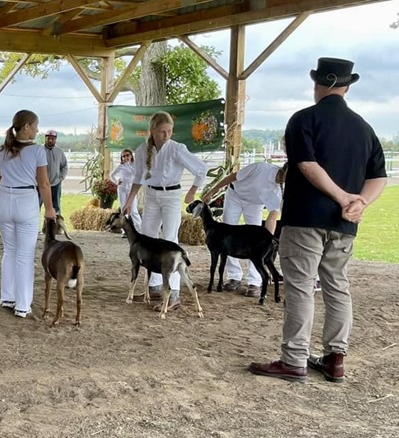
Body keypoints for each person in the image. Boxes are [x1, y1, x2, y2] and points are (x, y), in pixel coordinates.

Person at [249, 57, 387, 384]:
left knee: (300, 286)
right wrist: (359, 202)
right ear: (347, 85)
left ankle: (294, 359)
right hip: (344, 224)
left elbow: (307, 165)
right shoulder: (365, 128)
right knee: (337, 286)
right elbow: (378, 176)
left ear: (318, 84)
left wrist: (342, 197)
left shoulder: (303, 120)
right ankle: (336, 358)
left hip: (305, 217)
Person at [121, 111, 209, 312]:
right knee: (148, 239)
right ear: (152, 131)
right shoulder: (143, 150)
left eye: (169, 131)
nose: (166, 135)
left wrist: (193, 190)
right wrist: (129, 200)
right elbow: (137, 177)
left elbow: (201, 168)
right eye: (162, 132)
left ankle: (174, 293)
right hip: (151, 196)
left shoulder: (177, 149)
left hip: (171, 196)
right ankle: (154, 287)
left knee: (170, 241)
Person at [0, 110, 56, 318]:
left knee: (9, 251)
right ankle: (22, 304)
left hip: (4, 199)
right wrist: (49, 208)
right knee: (24, 254)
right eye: (36, 125)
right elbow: (44, 183)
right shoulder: (37, 151)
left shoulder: (1, 150)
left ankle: (7, 296)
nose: (37, 129)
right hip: (26, 200)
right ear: (27, 126)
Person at [203, 161, 286, 297]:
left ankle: (255, 282)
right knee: (226, 237)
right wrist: (213, 191)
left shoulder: (277, 192)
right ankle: (234, 276)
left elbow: (272, 218)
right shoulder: (261, 168)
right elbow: (232, 177)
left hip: (254, 205)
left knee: (255, 245)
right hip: (234, 196)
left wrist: (266, 242)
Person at [109, 149, 141, 236]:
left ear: (131, 156)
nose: (126, 157)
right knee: (124, 209)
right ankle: (125, 231)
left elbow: (135, 174)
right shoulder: (120, 166)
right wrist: (116, 181)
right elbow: (111, 175)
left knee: (134, 210)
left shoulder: (135, 166)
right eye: (124, 156)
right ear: (121, 158)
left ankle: (140, 229)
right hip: (122, 189)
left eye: (127, 155)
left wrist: (129, 164)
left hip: (131, 189)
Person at [43, 129, 68, 216]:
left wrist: (61, 177)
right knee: (37, 205)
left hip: (55, 184)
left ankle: (55, 226)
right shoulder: (40, 151)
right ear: (45, 138)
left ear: (55, 139)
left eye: (52, 138)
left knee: (56, 206)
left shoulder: (59, 152)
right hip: (41, 184)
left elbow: (64, 166)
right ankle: (35, 228)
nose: (50, 140)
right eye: (48, 138)